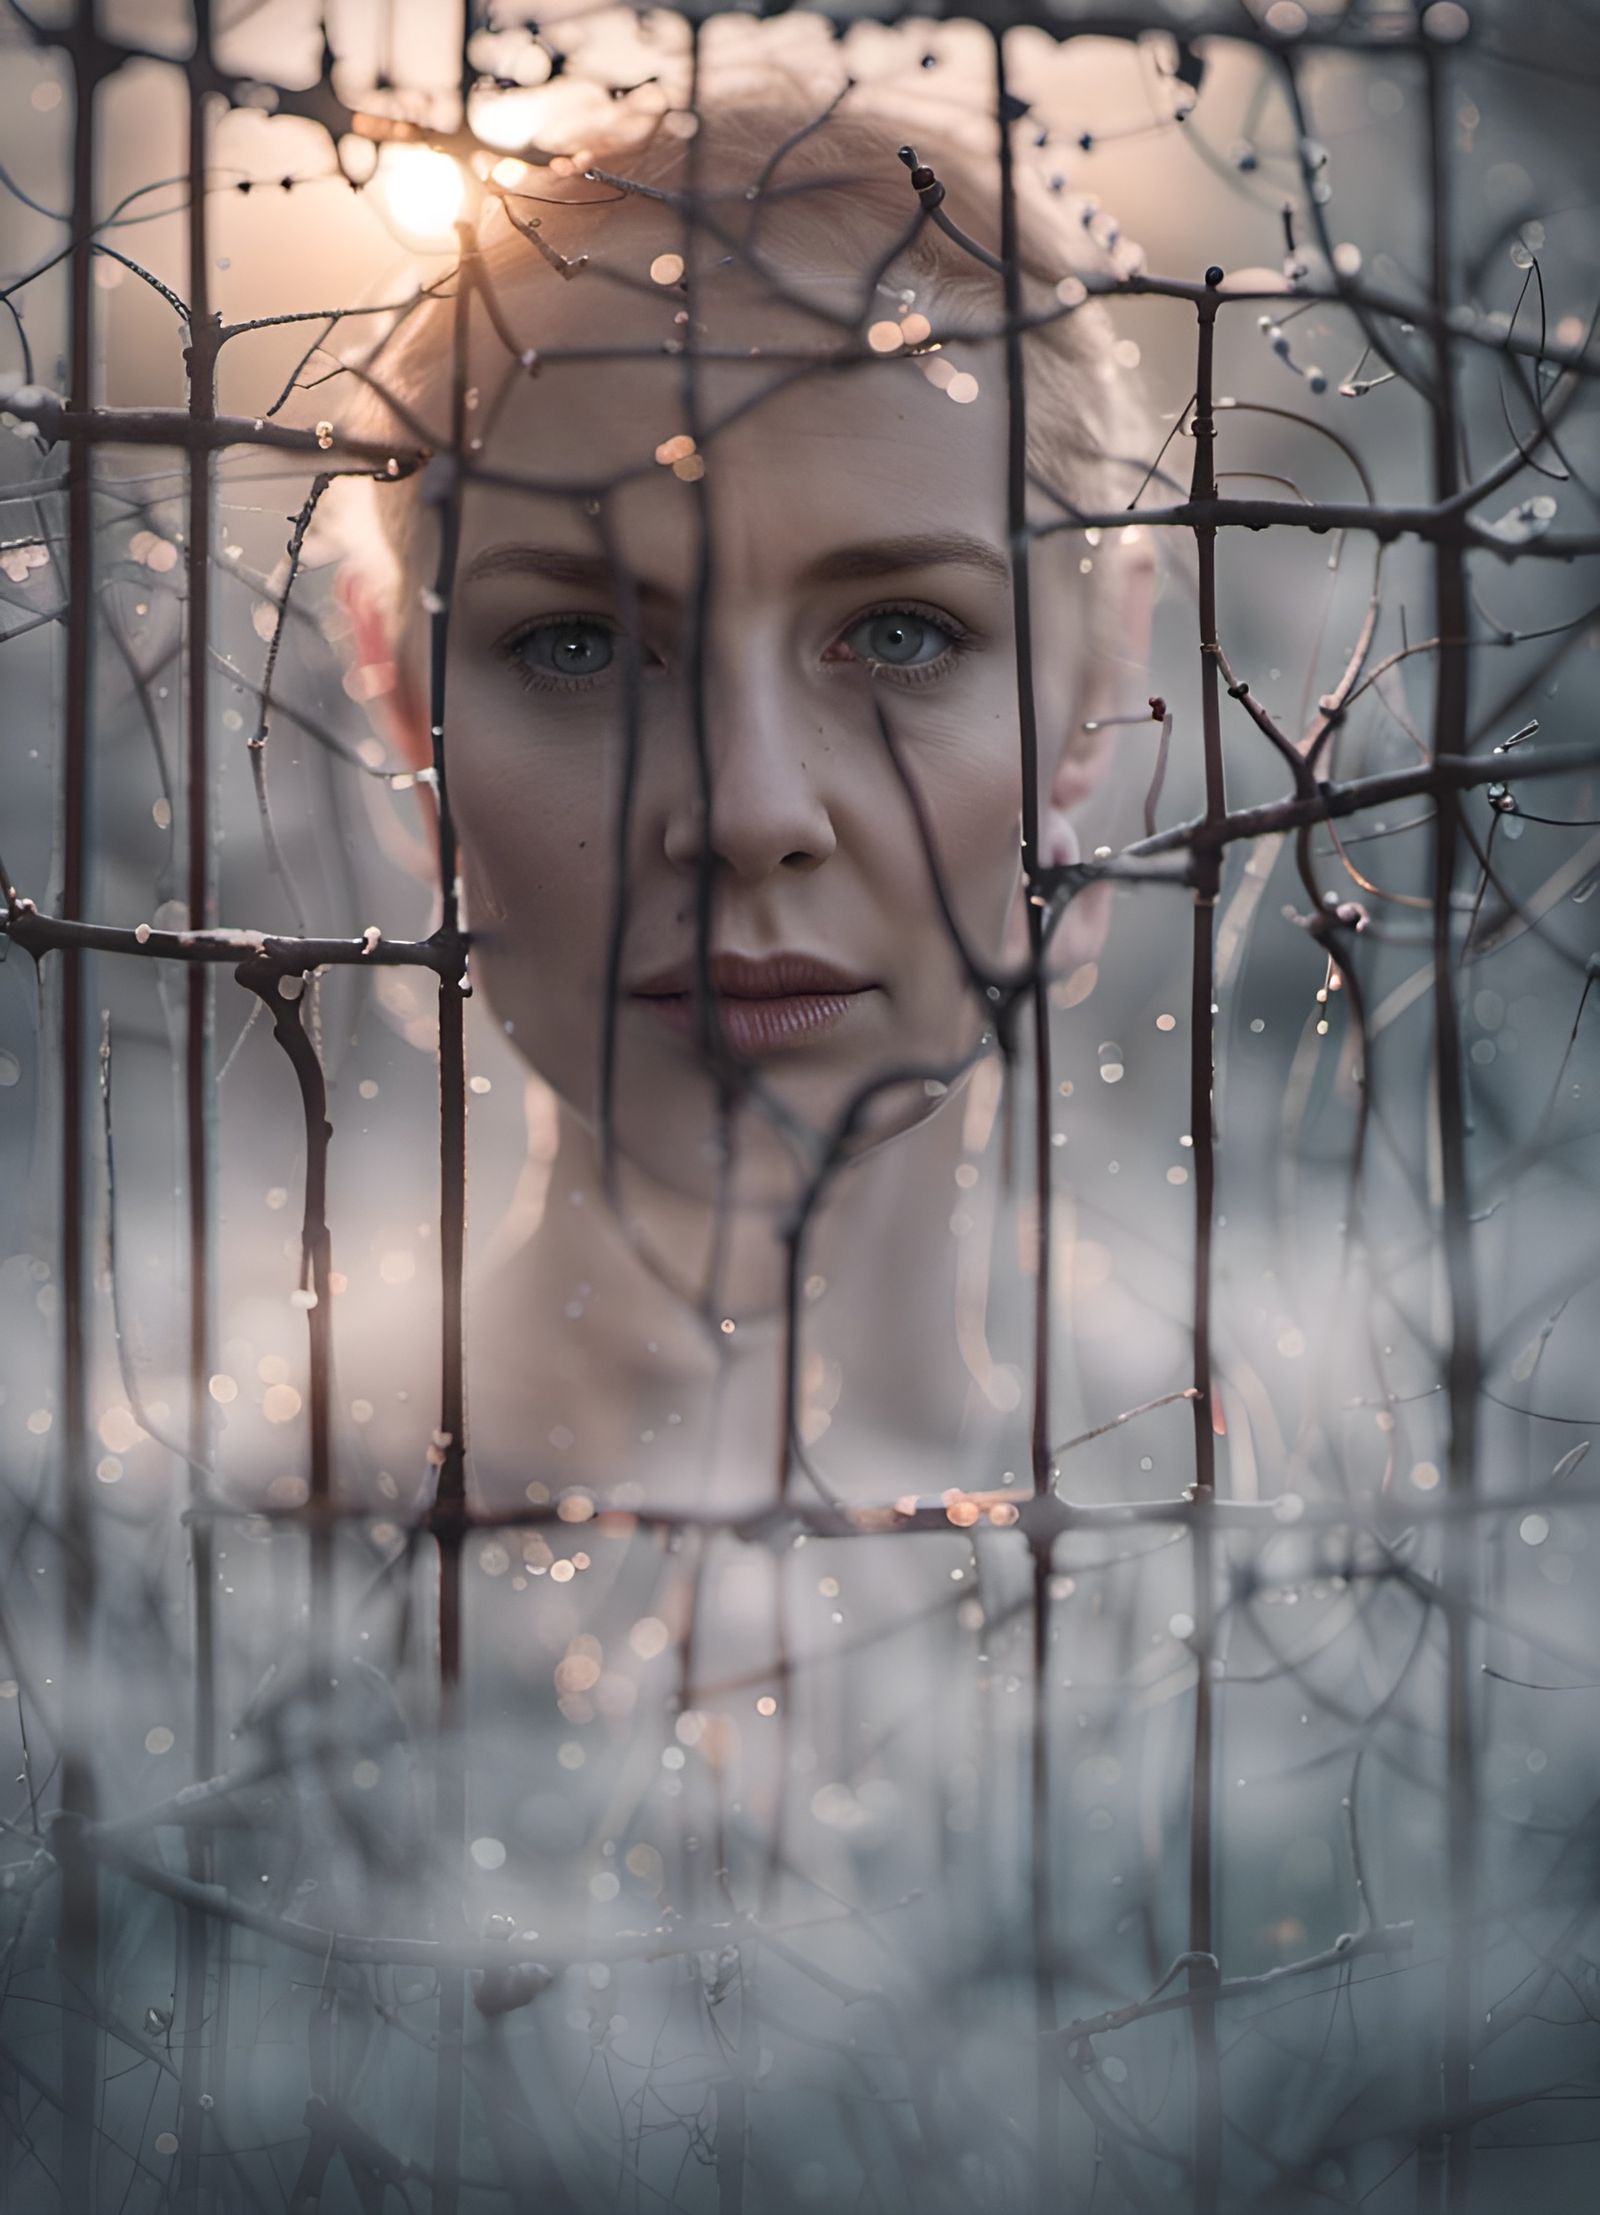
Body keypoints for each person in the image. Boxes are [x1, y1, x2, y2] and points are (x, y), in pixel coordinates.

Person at [332, 67, 1156, 1540]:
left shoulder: (1267, 1527)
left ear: (1101, 671)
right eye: (577, 646)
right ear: (408, 705)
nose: (749, 809)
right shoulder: (159, 1574)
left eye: (903, 632)